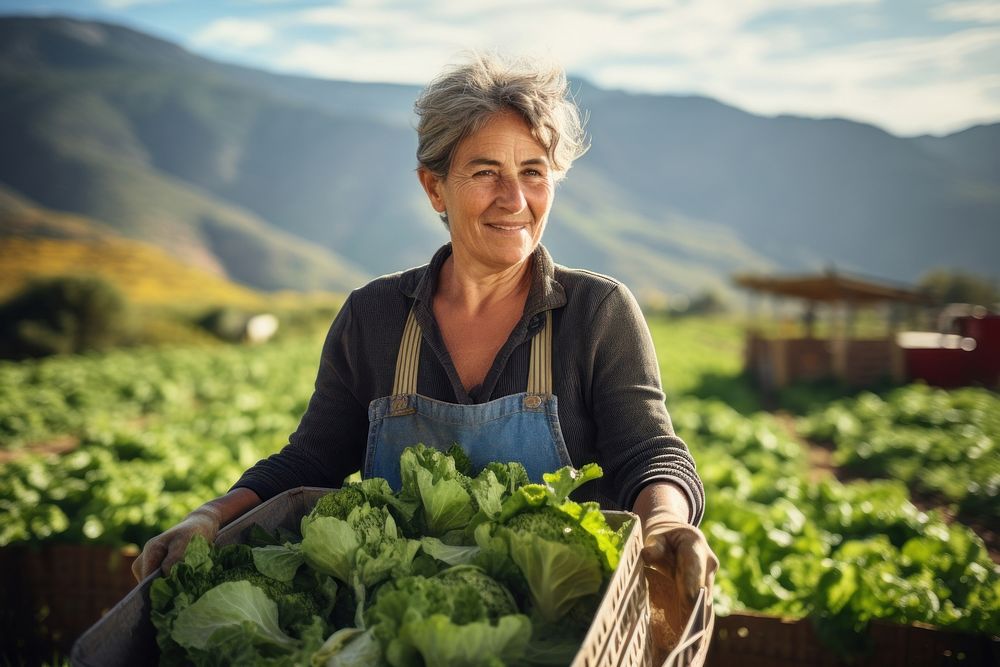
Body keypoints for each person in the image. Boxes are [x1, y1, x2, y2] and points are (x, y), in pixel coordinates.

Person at [133, 52, 717, 654]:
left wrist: (668, 524)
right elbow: (311, 461)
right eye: (486, 172)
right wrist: (210, 516)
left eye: (534, 172)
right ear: (434, 186)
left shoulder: (596, 312)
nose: (514, 199)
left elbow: (649, 454)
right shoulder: (374, 317)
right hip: (395, 637)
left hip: (567, 638)